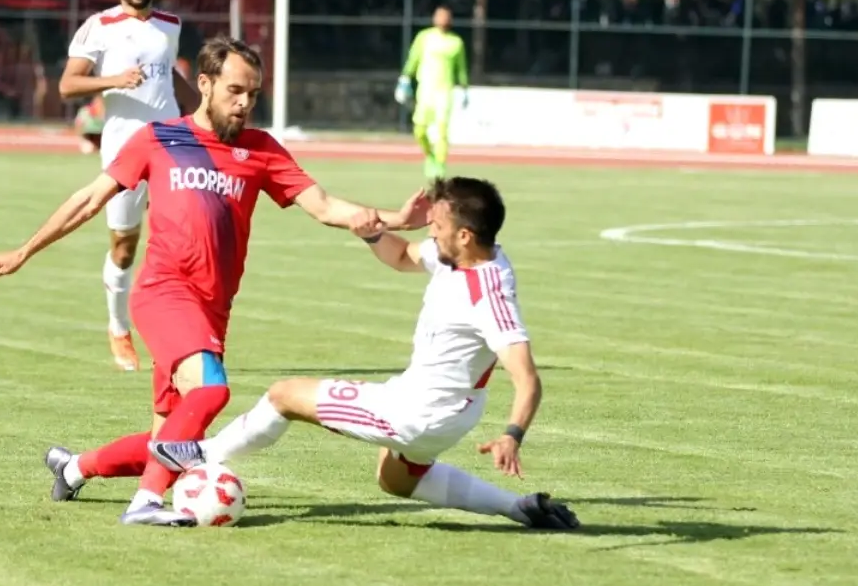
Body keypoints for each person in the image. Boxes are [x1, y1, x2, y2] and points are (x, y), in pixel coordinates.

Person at [0, 35, 427, 527]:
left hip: (214, 308)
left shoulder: (261, 150)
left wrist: (396, 220)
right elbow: (90, 198)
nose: (245, 103)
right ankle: (144, 505)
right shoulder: (159, 138)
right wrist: (24, 250)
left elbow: (323, 206)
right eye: (235, 90)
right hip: (163, 293)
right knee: (212, 392)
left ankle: (75, 467)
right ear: (205, 84)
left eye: (253, 94)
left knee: (166, 443)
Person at [149, 176, 580, 531]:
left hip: (419, 412)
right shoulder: (457, 256)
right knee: (396, 479)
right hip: (437, 406)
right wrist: (373, 232)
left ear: (465, 236)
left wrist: (512, 435)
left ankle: (203, 454)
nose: (430, 230)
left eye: (438, 225)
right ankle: (519, 508)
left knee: (284, 395)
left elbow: (527, 379)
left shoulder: (488, 293)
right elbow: (402, 255)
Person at [58, 0, 202, 373]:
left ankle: (180, 333)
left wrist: (203, 111)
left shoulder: (170, 26)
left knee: (186, 239)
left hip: (172, 146)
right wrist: (115, 80)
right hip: (124, 148)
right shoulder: (99, 26)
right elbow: (68, 85)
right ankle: (118, 327)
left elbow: (169, 79)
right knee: (123, 247)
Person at [394, 7, 469, 181]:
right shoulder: (424, 37)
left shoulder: (456, 42)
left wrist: (464, 88)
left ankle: (440, 166)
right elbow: (413, 58)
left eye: (445, 16)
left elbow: (462, 68)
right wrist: (405, 78)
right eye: (439, 15)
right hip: (426, 91)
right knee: (419, 129)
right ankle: (429, 156)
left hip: (445, 92)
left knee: (442, 132)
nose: (442, 19)